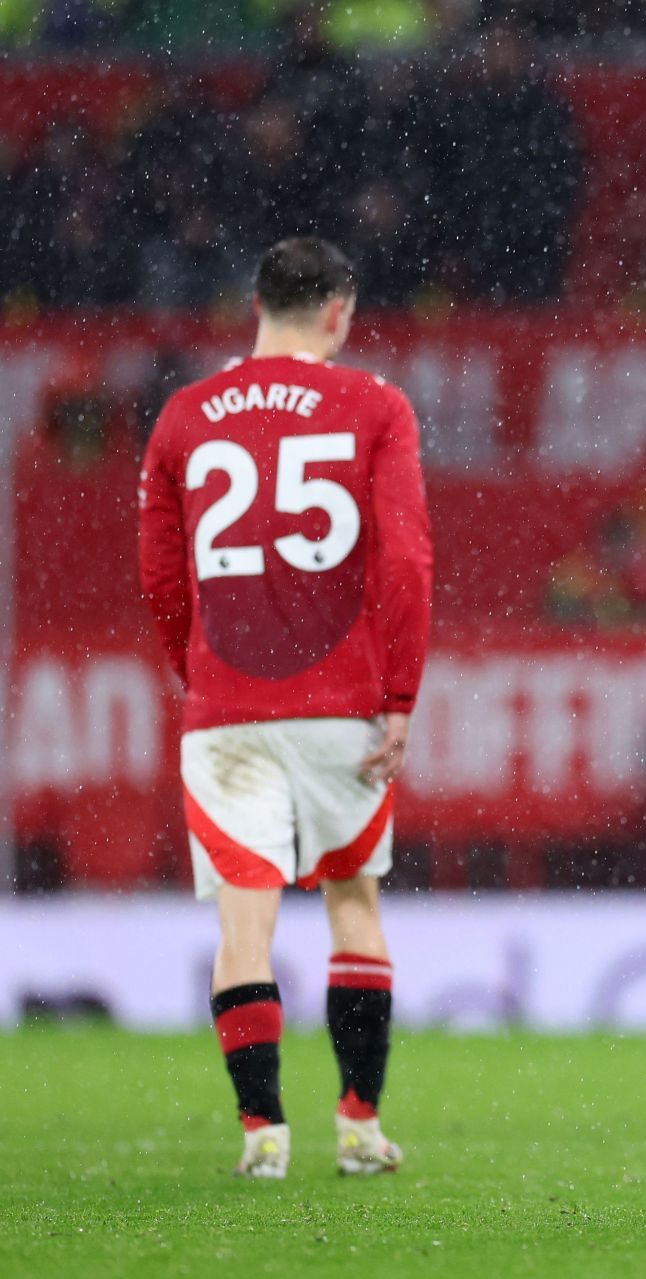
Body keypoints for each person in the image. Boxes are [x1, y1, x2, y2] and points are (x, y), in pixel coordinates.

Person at [136, 238, 433, 1178]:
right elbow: (407, 560)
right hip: (341, 704)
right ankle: (358, 1125)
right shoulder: (375, 405)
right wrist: (399, 695)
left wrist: (197, 672)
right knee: (353, 900)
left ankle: (262, 1134)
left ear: (256, 303)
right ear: (339, 311)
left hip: (226, 708)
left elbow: (158, 574)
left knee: (243, 920)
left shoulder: (184, 417)